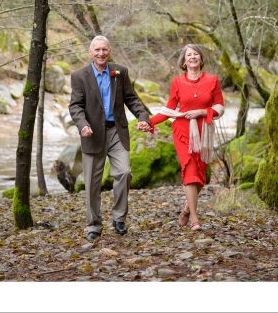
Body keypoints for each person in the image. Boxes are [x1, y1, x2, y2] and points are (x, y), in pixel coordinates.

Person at [69, 35, 151, 241]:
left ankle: (119, 218)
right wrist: (82, 125)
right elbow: (75, 105)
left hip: (117, 131)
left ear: (110, 51)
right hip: (92, 134)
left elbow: (131, 98)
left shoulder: (119, 72)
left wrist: (143, 117)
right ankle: (93, 225)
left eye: (104, 49)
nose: (101, 53)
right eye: (97, 50)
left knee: (124, 172)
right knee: (92, 184)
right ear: (90, 52)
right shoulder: (80, 76)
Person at [147, 44, 224, 231]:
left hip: (204, 131)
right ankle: (195, 220)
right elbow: (169, 109)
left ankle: (186, 209)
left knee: (200, 176)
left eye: (196, 54)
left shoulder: (212, 80)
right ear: (184, 61)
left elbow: (220, 108)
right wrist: (150, 122)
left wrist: (201, 111)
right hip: (182, 132)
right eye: (189, 55)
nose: (192, 57)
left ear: (201, 59)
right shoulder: (177, 82)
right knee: (190, 173)